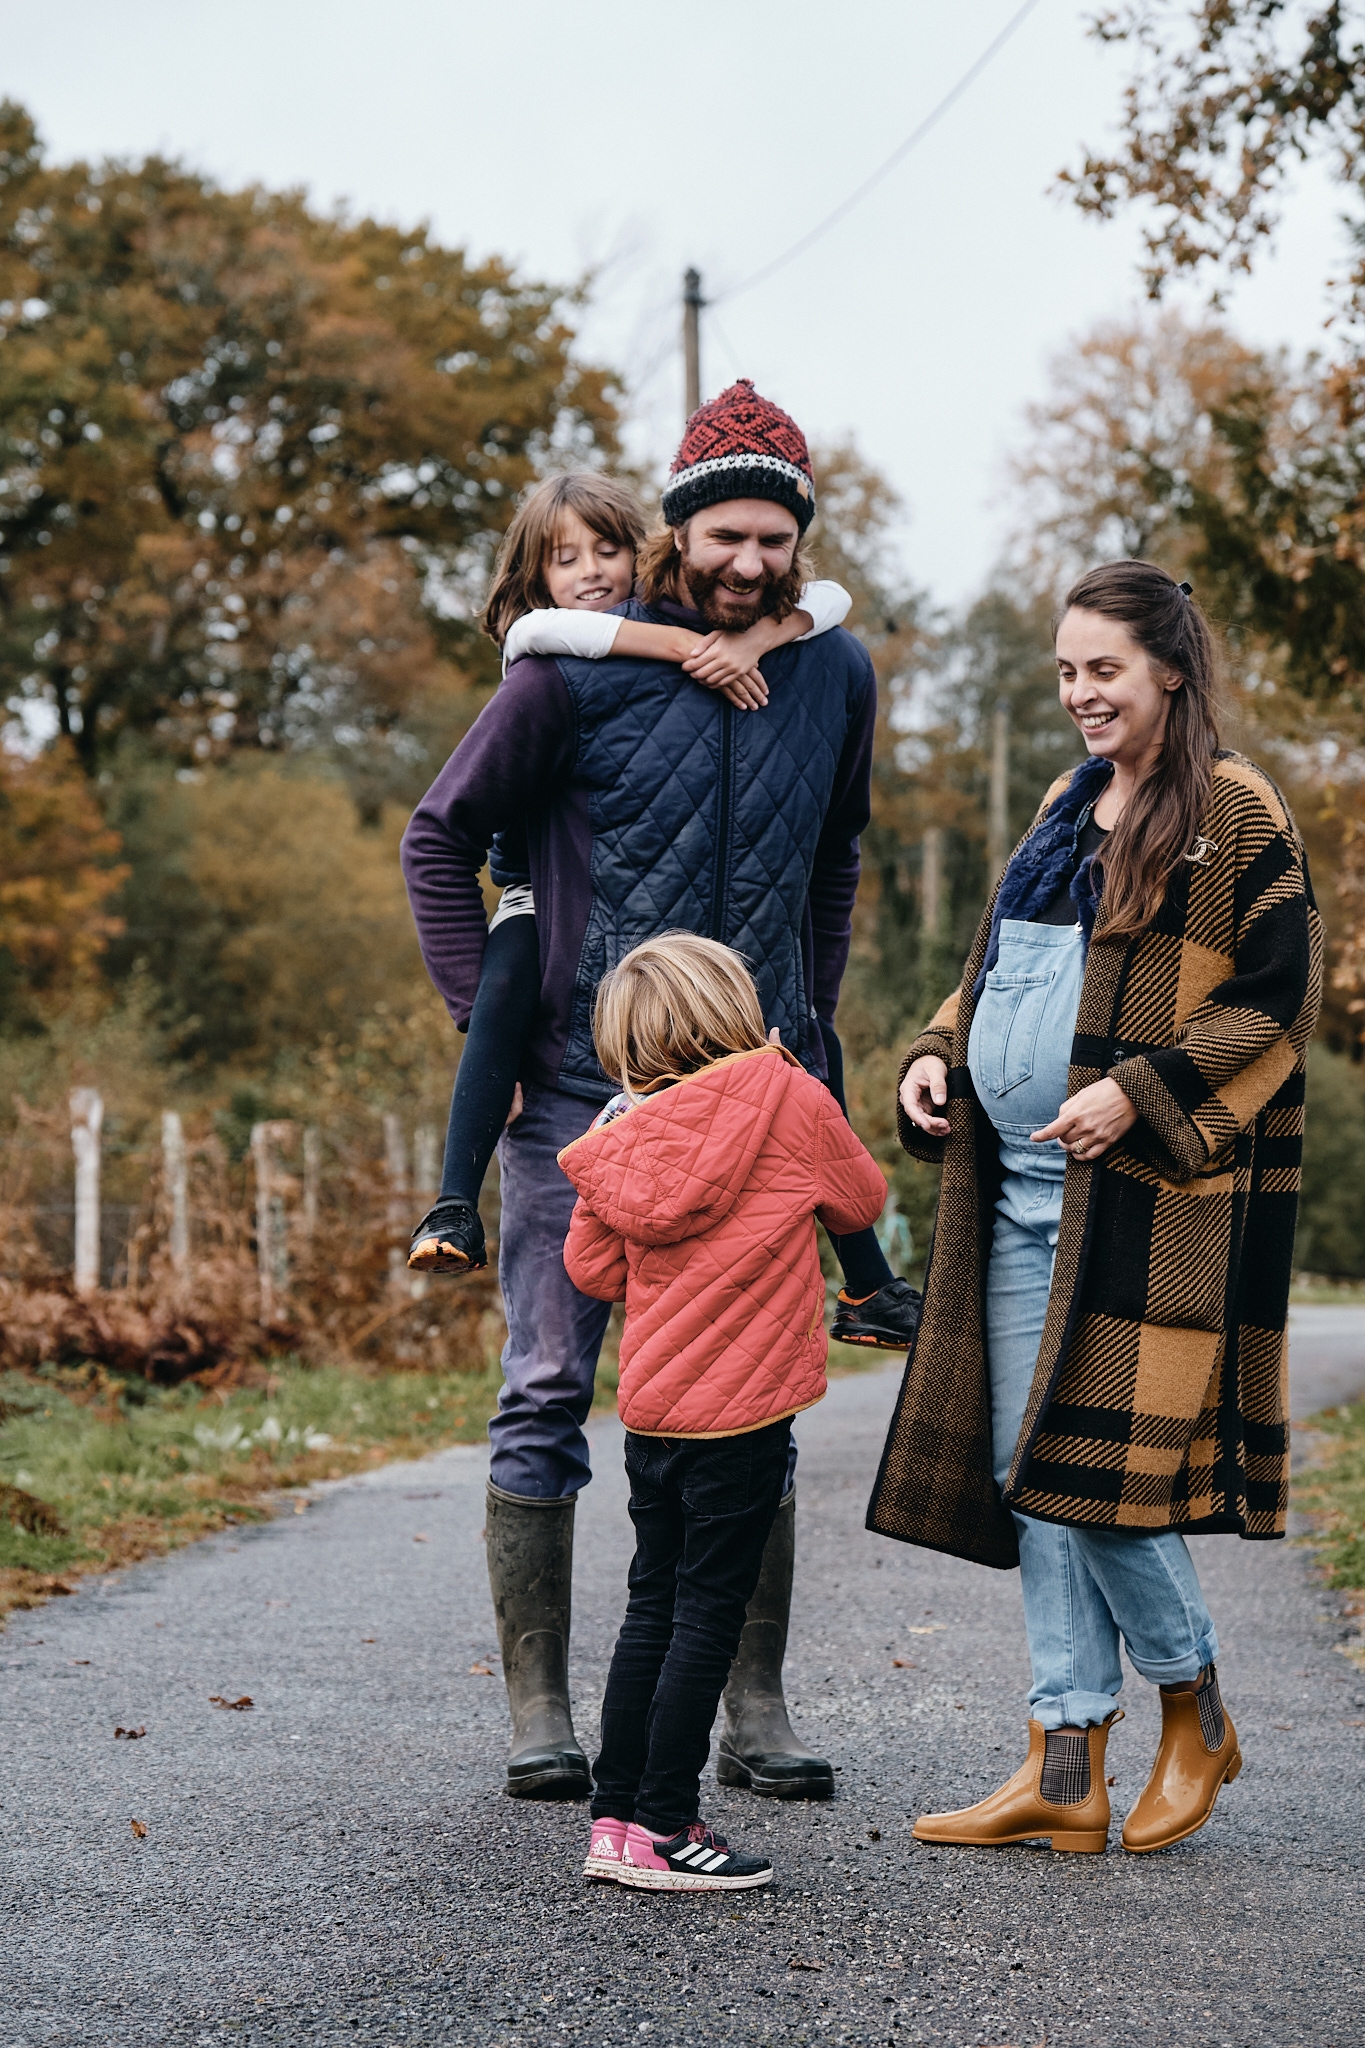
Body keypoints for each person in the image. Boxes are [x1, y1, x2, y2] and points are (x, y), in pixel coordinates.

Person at [402, 379, 920, 1802]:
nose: (748, 562)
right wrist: (484, 1026)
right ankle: (538, 1711)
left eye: (773, 537)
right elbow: (439, 840)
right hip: (579, 1091)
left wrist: (812, 1025)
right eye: (723, 535)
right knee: (550, 1383)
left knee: (754, 1399)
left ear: (799, 539)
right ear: (677, 530)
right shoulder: (574, 672)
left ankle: (750, 1703)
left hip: (754, 1105)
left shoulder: (838, 673)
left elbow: (835, 857)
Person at [867, 561, 1323, 1855]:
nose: (1078, 693)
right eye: (1065, 672)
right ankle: (1063, 1762)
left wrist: (1141, 1090)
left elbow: (1277, 992)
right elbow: (999, 967)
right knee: (1033, 1478)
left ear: (1167, 671)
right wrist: (931, 1049)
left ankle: (1195, 1701)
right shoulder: (1069, 802)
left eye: (1101, 670)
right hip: (1011, 1197)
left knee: (1085, 1483)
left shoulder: (1232, 811)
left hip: (1139, 1200)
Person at [405, 468, 854, 1278]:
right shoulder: (550, 648)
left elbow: (832, 604)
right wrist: (691, 646)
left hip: (744, 1065)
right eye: (564, 559)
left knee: (735, 1367)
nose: (590, 574)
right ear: (678, 536)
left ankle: (869, 1281)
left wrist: (758, 637)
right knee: (499, 1001)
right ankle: (450, 1205)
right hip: (545, 942)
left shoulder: (826, 661)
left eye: (606, 551)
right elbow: (437, 836)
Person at [559, 934, 887, 1889]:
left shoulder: (626, 1131)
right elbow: (859, 1195)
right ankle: (667, 1827)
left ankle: (614, 1823)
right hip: (742, 1418)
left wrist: (619, 1134)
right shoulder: (787, 1096)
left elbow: (593, 1269)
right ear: (732, 1010)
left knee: (650, 1607)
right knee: (708, 1617)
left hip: (653, 1414)